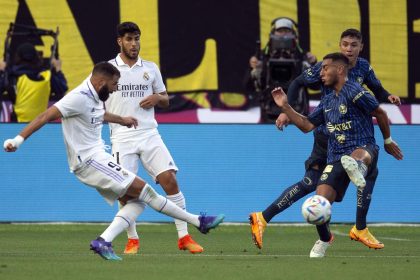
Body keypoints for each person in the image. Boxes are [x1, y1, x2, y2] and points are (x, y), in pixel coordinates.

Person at [3, 61, 224, 261]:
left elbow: (99, 115)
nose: (116, 88)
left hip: (98, 158)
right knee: (145, 190)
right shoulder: (77, 97)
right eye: (114, 84)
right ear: (101, 81)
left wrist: (123, 120)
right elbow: (45, 116)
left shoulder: (96, 95)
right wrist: (18, 140)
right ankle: (197, 221)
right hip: (89, 161)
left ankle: (104, 241)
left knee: (137, 201)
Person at [249, 28, 401, 250]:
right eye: (344, 44)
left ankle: (340, 231)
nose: (348, 49)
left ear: (360, 48)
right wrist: (285, 108)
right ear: (340, 46)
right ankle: (331, 231)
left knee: (358, 170)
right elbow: (299, 88)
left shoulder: (358, 78)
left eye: (353, 45)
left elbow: (377, 97)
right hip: (328, 134)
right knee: (316, 184)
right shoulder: (327, 85)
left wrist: (387, 98)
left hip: (351, 135)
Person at [103, 22, 205, 255]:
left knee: (170, 180)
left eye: (137, 39)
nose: (134, 44)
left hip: (149, 133)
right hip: (121, 136)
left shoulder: (150, 68)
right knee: (125, 191)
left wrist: (157, 99)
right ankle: (133, 240)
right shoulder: (107, 69)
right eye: (129, 39)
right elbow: (96, 105)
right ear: (119, 41)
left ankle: (184, 236)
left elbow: (166, 98)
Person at [245, 17, 317, 121]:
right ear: (273, 33)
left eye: (287, 31)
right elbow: (248, 87)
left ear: (294, 35)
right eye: (280, 31)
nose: (283, 35)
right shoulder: (262, 56)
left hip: (298, 113)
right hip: (269, 112)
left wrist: (313, 65)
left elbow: (315, 86)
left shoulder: (302, 56)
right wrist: (251, 68)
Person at [0, 42, 68, 122]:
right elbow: (62, 88)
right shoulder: (47, 76)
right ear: (36, 57)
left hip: (17, 125)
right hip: (40, 125)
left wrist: (2, 71)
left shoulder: (13, 76)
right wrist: (58, 69)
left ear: (18, 57)